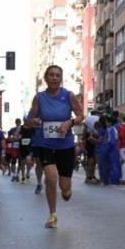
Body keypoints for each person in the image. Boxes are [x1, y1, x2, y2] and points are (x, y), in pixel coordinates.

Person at [25, 65, 84, 228]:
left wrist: (69, 122)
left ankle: (66, 189)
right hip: (45, 143)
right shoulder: (39, 98)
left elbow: (81, 115)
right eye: (51, 75)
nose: (54, 78)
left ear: (61, 78)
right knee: (51, 178)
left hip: (65, 145)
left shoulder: (69, 96)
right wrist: (33, 122)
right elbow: (29, 120)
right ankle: (52, 214)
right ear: (46, 78)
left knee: (64, 188)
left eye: (58, 75)